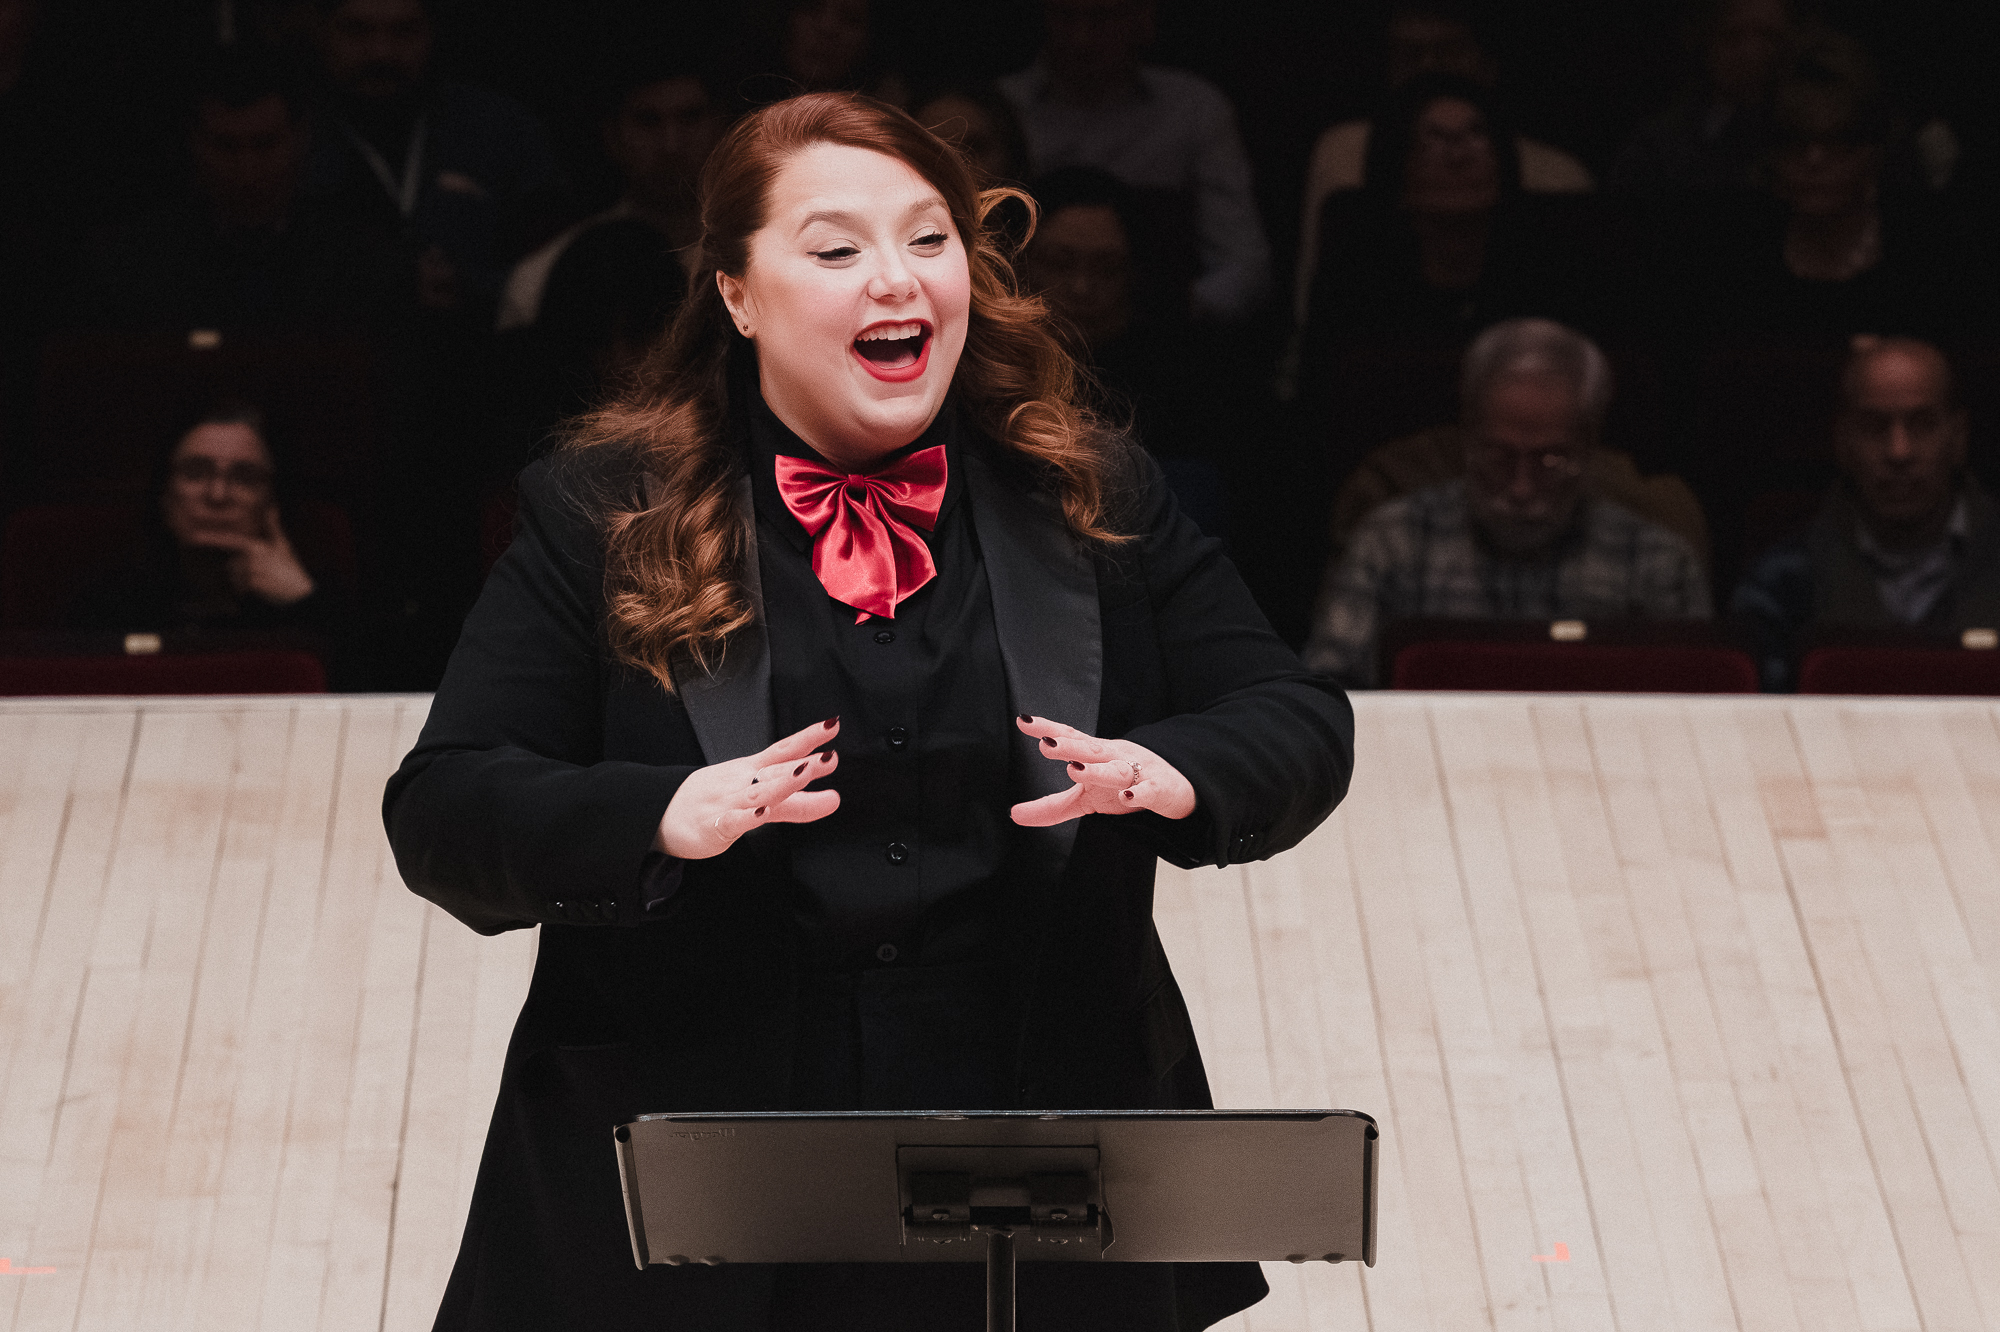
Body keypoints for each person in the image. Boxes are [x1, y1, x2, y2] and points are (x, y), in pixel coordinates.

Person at [382, 91, 1353, 1330]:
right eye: (836, 250)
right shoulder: (598, 514)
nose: (895, 280)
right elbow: (444, 804)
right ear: (737, 293)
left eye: (928, 239)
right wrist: (659, 817)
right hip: (691, 1188)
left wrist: (1172, 772)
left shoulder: (1083, 490)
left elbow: (1296, 713)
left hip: (1032, 1160)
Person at [1302, 318, 1711, 687]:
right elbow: (1329, 693)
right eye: (1499, 458)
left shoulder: (1657, 562)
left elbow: (1698, 710)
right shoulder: (1391, 543)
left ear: (1589, 448)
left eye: (1549, 461)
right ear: (1466, 436)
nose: (1520, 488)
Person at [1293, 0, 1593, 323]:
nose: (1427, 69)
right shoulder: (1343, 153)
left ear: (1487, 65)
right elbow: (1314, 317)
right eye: (1409, 55)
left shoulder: (1560, 176)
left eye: (1447, 53)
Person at [70, 42, 395, 333]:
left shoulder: (363, 265)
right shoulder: (130, 266)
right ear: (193, 143)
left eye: (266, 145)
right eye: (226, 147)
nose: (247, 172)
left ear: (302, 139)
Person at [1732, 336, 1999, 689]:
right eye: (1875, 427)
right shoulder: (1781, 584)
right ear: (1842, 441)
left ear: (1958, 436)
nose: (1899, 452)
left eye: (1921, 424)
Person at [998, 0, 1271, 323]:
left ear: (1144, 18)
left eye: (1103, 17)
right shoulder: (1000, 109)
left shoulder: (1193, 111)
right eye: (1066, 16)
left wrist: (1156, 320)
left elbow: (1244, 267)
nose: (1081, 38)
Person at [1297, 74, 1602, 355]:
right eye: (1432, 139)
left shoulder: (1551, 269)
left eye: (1476, 134)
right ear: (1396, 168)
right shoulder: (1356, 275)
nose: (1458, 157)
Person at [305, 0, 567, 318]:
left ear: (433, 33)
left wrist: (476, 286)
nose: (381, 53)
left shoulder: (497, 127)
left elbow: (556, 271)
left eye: (405, 31)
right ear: (320, 31)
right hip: (335, 351)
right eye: (357, 30)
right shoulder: (281, 133)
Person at [81, 402, 334, 640]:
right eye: (195, 472)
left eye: (245, 477)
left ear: (273, 501)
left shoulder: (313, 599)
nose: (217, 495)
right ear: (164, 496)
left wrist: (303, 602)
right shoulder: (108, 607)